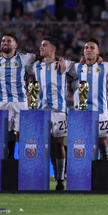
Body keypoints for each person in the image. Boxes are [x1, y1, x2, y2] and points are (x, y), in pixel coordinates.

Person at [0, 33, 65, 160]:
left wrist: (60, 59)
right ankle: (1, 164)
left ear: (16, 45)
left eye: (9, 41)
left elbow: (44, 56)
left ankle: (25, 163)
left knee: (23, 135)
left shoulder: (24, 58)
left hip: (20, 102)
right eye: (3, 41)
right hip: (1, 102)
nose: (5, 43)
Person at [26, 37, 72, 191]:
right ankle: (39, 178)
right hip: (41, 111)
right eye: (40, 45)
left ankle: (60, 178)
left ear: (53, 49)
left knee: (59, 144)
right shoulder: (35, 66)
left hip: (59, 110)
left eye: (44, 45)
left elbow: (84, 64)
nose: (41, 47)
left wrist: (61, 59)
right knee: (40, 144)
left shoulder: (64, 65)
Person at [69, 38, 108, 160]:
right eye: (86, 48)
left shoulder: (105, 66)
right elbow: (59, 64)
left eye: (92, 48)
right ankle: (86, 173)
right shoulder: (77, 67)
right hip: (83, 112)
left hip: (101, 111)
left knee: (102, 142)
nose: (88, 50)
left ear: (98, 52)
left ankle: (104, 170)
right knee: (84, 142)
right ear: (83, 51)